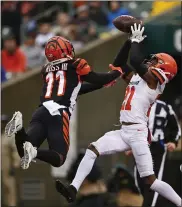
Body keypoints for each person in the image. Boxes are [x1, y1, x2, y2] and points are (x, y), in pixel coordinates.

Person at [55, 24, 181, 207]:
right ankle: (73, 188)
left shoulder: (155, 82)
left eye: (155, 62)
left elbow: (137, 60)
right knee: (92, 150)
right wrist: (130, 40)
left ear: (163, 70)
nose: (150, 62)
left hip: (137, 133)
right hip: (124, 131)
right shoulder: (141, 77)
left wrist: (137, 40)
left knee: (151, 181)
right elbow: (120, 62)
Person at [5, 36, 123, 172]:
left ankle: (19, 129)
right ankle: (35, 151)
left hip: (41, 111)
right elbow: (96, 78)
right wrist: (116, 73)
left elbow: (74, 89)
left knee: (24, 152)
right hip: (58, 113)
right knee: (59, 158)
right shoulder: (75, 64)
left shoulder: (46, 69)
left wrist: (101, 85)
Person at [133, 100, 181, 207]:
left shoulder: (165, 107)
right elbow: (128, 126)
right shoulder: (137, 105)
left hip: (157, 147)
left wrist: (173, 141)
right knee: (140, 180)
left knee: (152, 181)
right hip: (140, 145)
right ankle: (148, 201)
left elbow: (175, 128)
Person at [2, 114, 20, 207]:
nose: (2, 124)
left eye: (4, 122)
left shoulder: (10, 135)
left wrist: (15, 165)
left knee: (11, 190)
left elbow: (16, 152)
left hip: (8, 168)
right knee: (4, 191)